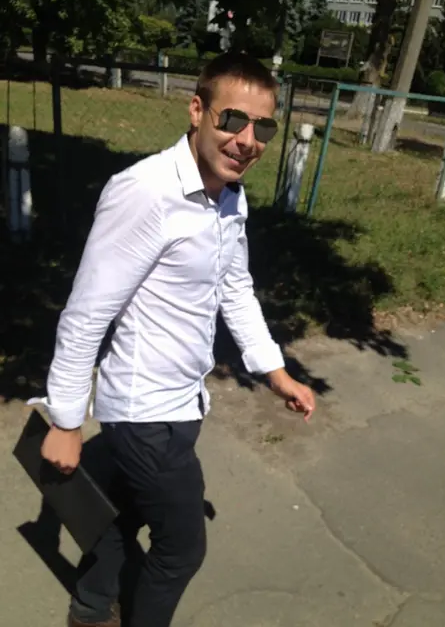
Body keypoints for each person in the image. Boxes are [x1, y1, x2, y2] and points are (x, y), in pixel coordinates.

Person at [38, 52, 316, 627]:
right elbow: (86, 313)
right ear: (196, 110)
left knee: (122, 509)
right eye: (232, 120)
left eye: (263, 128)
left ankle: (91, 605)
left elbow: (234, 288)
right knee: (181, 551)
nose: (248, 141)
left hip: (182, 401)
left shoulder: (229, 194)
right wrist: (66, 421)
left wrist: (275, 371)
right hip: (146, 413)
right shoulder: (145, 192)